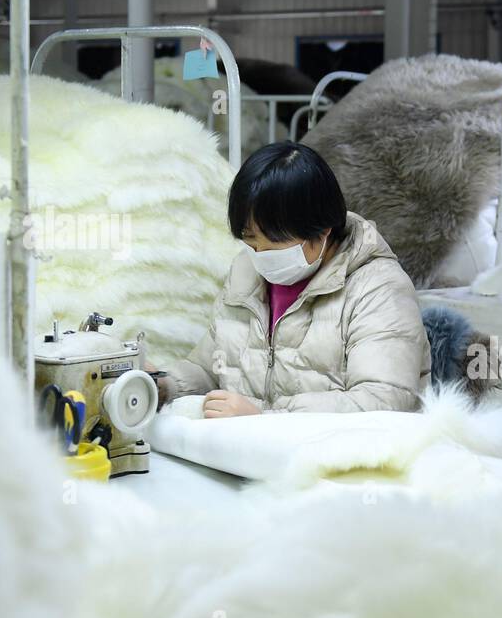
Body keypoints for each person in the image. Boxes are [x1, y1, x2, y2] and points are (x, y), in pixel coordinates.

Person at [158, 142, 430, 416]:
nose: (260, 255)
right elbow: (210, 368)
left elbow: (383, 401)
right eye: (250, 241)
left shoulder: (379, 289)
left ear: (322, 232)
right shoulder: (245, 273)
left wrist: (264, 419)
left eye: (274, 243)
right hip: (242, 454)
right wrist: (163, 384)